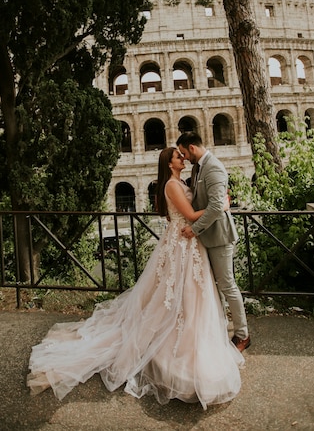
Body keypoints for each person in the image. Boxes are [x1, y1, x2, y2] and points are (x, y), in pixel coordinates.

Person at [27, 147, 244, 409]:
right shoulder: (172, 185)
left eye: (182, 155)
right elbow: (189, 215)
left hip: (188, 243)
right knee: (177, 294)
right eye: (178, 157)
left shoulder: (180, 182)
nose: (182, 158)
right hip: (182, 244)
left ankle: (193, 338)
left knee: (189, 294)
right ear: (170, 163)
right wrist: (219, 206)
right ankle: (178, 344)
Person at [176, 132, 250, 352]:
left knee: (227, 285)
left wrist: (194, 229)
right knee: (214, 287)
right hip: (207, 236)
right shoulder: (198, 166)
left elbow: (217, 206)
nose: (184, 157)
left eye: (184, 152)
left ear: (192, 147)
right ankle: (219, 328)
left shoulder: (214, 167)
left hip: (219, 236)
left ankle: (242, 335)